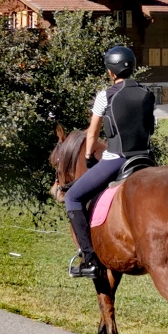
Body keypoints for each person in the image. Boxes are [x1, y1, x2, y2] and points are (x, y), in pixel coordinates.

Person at [62, 45, 155, 278]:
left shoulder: (106, 95)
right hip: (146, 158)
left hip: (117, 159)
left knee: (72, 197)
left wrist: (86, 156)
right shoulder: (148, 92)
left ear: (111, 72)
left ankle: (90, 259)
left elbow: (92, 134)